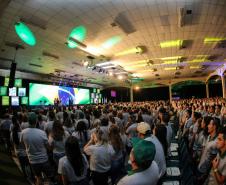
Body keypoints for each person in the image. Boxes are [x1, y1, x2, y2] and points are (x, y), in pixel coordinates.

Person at [21, 112, 54, 185]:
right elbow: (48, 147)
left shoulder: (23, 132)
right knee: (49, 179)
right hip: (44, 159)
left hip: (33, 161)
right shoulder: (42, 133)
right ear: (36, 121)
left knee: (38, 178)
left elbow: (23, 144)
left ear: (28, 121)